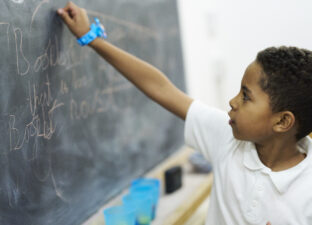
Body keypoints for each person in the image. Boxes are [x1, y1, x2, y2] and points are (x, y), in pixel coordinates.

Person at [57, 2, 312, 225]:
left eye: (246, 96)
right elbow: (160, 88)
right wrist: (92, 38)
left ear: (282, 121)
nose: (233, 101)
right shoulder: (226, 137)